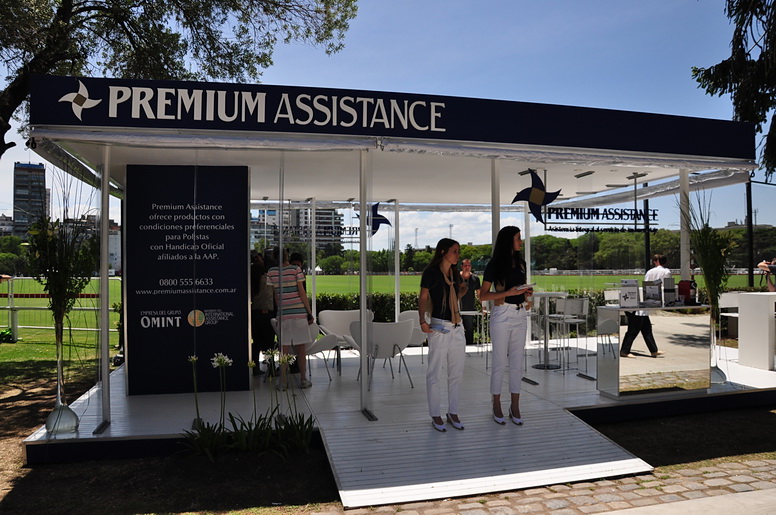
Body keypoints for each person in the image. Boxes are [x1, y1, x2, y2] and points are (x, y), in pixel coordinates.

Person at [479, 226, 532, 426]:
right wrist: (507, 293)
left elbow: (521, 287)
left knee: (517, 363)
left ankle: (515, 405)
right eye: (518, 238)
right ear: (508, 240)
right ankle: (496, 404)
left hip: (520, 313)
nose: (520, 241)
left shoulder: (521, 263)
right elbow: (483, 295)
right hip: (502, 314)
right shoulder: (494, 265)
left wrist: (526, 292)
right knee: (500, 362)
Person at [419, 238, 468, 432]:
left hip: (457, 326)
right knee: (435, 373)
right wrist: (422, 321)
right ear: (443, 252)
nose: (458, 255)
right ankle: (435, 414)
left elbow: (455, 294)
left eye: (458, 251)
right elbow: (423, 297)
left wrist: (461, 291)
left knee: (456, 373)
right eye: (454, 251)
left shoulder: (454, 273)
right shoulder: (431, 272)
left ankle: (453, 412)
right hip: (439, 326)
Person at [266, 247, 315, 389]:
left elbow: (275, 295)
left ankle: (282, 381)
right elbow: (301, 292)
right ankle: (303, 379)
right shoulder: (296, 270)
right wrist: (309, 312)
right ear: (287, 255)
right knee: (301, 349)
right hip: (299, 313)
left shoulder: (271, 272)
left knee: (284, 349)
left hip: (284, 314)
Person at [620, 254, 671, 358]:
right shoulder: (666, 272)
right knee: (634, 329)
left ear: (656, 262)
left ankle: (653, 350)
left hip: (644, 301)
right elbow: (667, 286)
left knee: (646, 328)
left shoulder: (650, 272)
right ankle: (625, 350)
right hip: (652, 302)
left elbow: (646, 285)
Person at [459, 259, 481, 346]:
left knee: (469, 329)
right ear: (461, 267)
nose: (467, 267)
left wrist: (483, 307)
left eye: (469, 266)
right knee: (457, 329)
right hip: (457, 308)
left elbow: (479, 294)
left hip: (469, 308)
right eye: (465, 266)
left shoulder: (475, 279)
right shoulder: (457, 277)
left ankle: (469, 346)